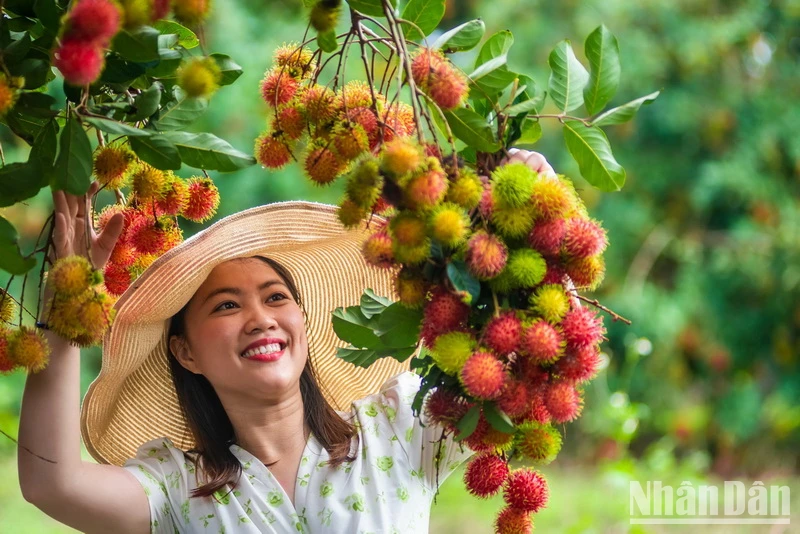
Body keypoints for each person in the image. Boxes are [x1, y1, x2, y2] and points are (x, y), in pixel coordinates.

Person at [17, 150, 555, 533]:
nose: (260, 318)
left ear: (302, 321)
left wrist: (535, 222)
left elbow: (536, 364)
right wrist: (65, 315)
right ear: (185, 352)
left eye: (276, 298)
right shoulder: (175, 487)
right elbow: (51, 485)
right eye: (227, 306)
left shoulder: (399, 425)